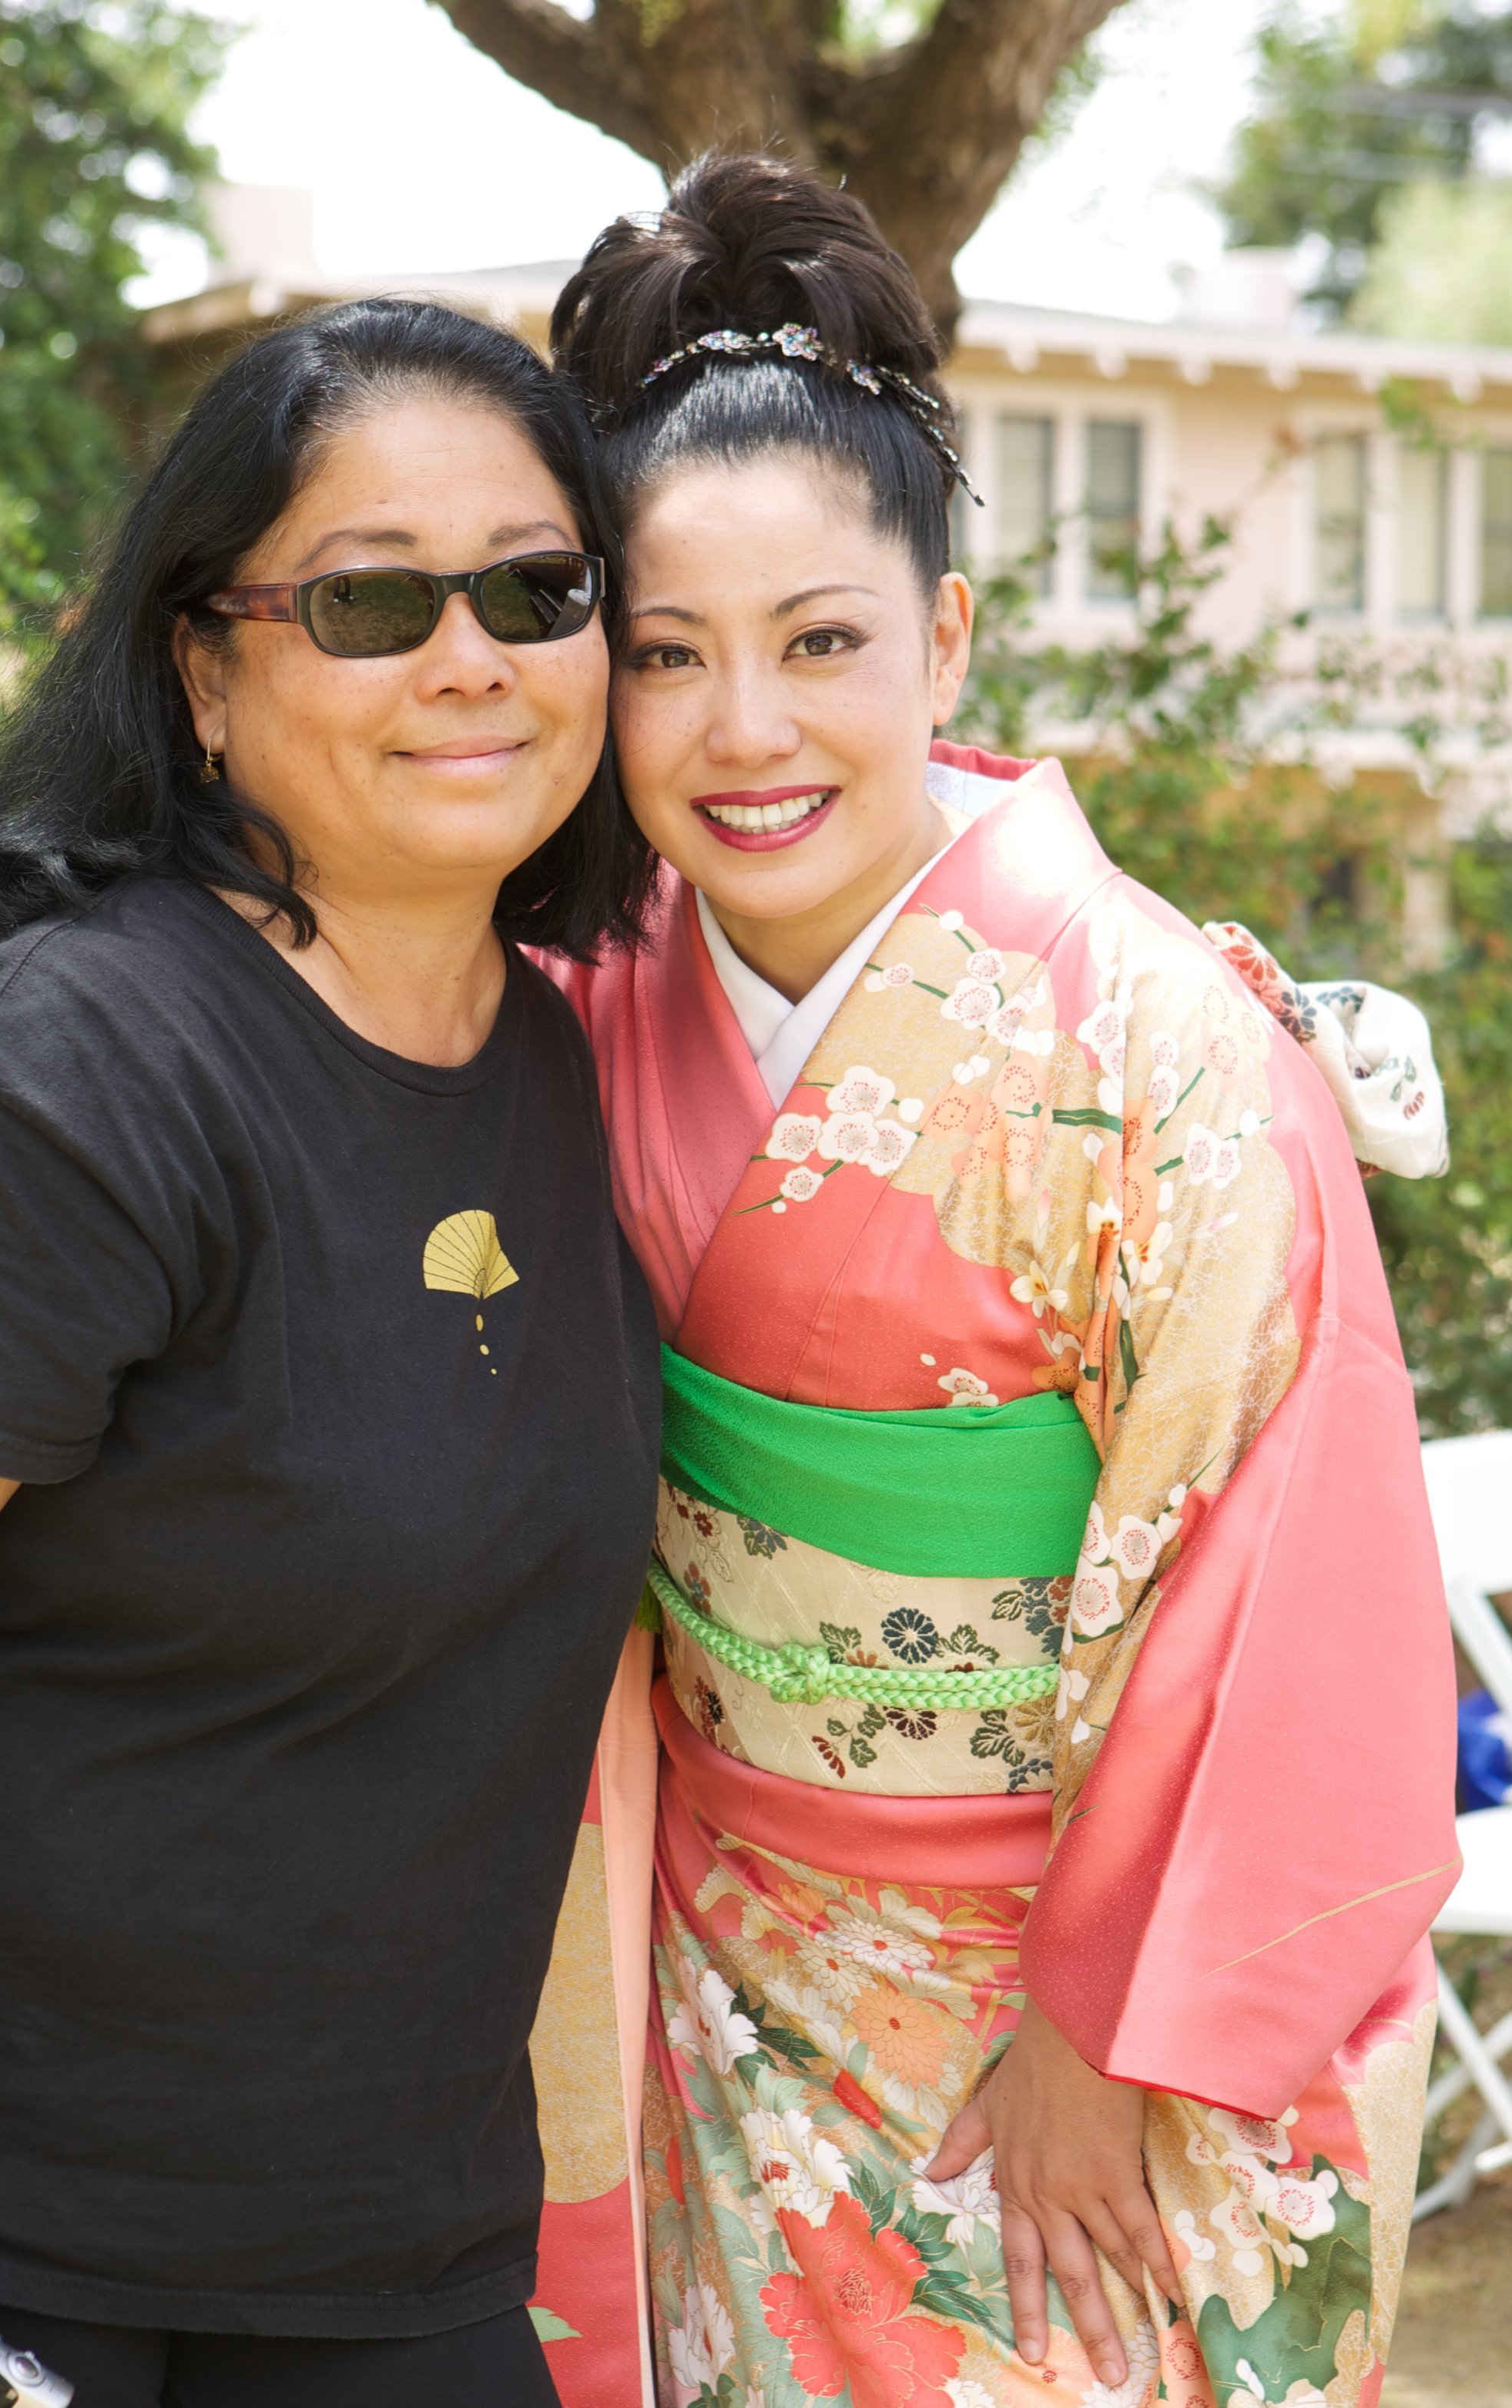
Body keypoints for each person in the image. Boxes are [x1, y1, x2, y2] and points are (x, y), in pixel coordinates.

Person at [0, 299, 665, 2408]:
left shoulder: (551, 1052)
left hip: (368, 2208)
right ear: (199, 669)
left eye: (539, 591)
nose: (472, 660)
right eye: (370, 600)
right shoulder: (61, 1073)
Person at [532, 157, 1457, 2408]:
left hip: (1076, 1988)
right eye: (666, 657)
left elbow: (1283, 1575)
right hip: (721, 1932)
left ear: (945, 641)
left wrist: (1095, 2035)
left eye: (821, 642)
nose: (744, 731)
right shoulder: (577, 994)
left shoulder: (1166, 1051)